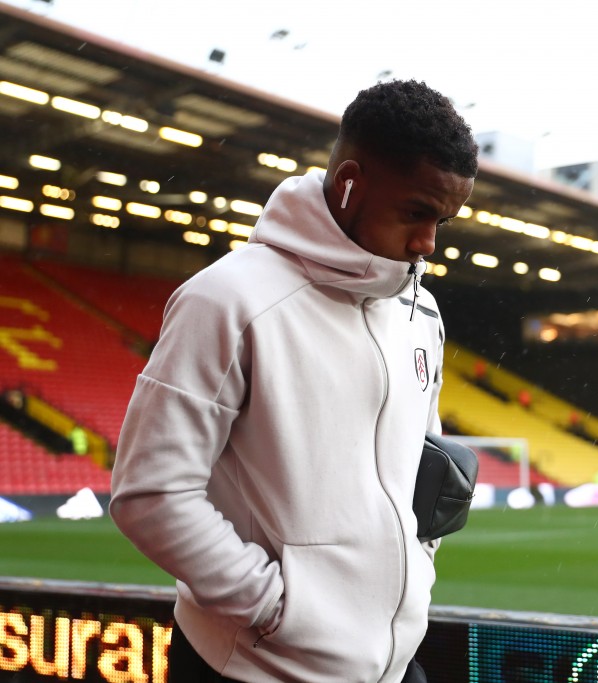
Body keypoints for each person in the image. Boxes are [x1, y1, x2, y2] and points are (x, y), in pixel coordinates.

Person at [109, 79, 477, 683]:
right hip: (254, 668)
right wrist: (278, 610)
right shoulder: (227, 300)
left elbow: (418, 465)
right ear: (349, 182)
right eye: (416, 213)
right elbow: (150, 495)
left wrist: (420, 556)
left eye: (444, 220)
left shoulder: (423, 313)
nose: (428, 244)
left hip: (394, 663)